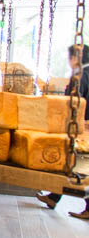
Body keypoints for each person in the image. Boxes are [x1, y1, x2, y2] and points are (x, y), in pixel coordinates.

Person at [36, 44, 89, 220]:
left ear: (75, 58)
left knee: (74, 164)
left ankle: (58, 198)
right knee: (76, 165)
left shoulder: (80, 76)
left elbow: (72, 102)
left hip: (80, 128)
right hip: (84, 127)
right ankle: (53, 197)